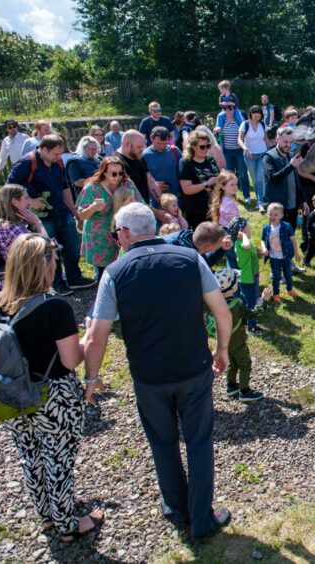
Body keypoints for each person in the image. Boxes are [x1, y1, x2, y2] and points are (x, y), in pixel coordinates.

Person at [82, 203, 232, 540]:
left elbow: (96, 336)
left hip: (149, 376)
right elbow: (222, 311)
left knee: (162, 443)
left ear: (124, 233)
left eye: (115, 233)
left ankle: (177, 509)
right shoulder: (190, 259)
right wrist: (221, 350)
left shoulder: (115, 272)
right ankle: (202, 519)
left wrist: (91, 379)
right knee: (199, 441)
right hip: (192, 367)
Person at [0, 234, 104, 543]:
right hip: (54, 396)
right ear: (44, 265)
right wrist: (88, 337)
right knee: (59, 460)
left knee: (31, 454)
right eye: (53, 259)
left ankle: (47, 516)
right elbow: (70, 361)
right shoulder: (54, 307)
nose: (57, 265)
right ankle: (68, 524)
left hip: (14, 394)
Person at [6, 135, 95, 295]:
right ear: (44, 149)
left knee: (73, 245)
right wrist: (31, 200)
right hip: (43, 217)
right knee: (50, 249)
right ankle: (57, 283)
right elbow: (10, 186)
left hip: (62, 211)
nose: (59, 157)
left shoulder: (58, 163)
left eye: (60, 154)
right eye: (56, 153)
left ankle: (74, 277)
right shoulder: (27, 163)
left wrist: (74, 212)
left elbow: (65, 187)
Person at [209, 268, 271, 401]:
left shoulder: (213, 303)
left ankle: (231, 386)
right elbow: (253, 314)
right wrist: (264, 300)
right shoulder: (237, 304)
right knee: (245, 363)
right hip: (237, 341)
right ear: (232, 288)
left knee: (232, 362)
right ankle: (245, 391)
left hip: (223, 342)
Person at [77, 157, 143, 280]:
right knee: (104, 273)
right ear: (104, 172)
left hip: (123, 233)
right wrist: (92, 208)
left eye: (120, 173)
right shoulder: (92, 188)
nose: (117, 177)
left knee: (125, 267)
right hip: (99, 237)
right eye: (113, 174)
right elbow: (81, 215)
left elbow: (141, 204)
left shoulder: (127, 184)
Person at [0, 184, 48, 287]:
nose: (29, 202)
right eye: (26, 198)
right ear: (14, 202)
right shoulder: (18, 231)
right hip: (26, 283)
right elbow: (48, 249)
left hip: (10, 280)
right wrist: (37, 222)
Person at [116, 130, 166, 222]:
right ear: (127, 144)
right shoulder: (117, 164)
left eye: (143, 146)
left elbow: (150, 181)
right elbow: (128, 198)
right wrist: (155, 212)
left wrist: (164, 204)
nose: (143, 149)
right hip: (129, 218)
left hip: (144, 212)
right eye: (139, 147)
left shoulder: (138, 156)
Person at [263, 127, 307, 231]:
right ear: (277, 139)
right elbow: (273, 179)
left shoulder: (291, 155)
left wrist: (303, 200)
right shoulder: (268, 157)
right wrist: (291, 166)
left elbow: (297, 181)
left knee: (291, 234)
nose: (288, 145)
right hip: (278, 208)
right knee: (277, 235)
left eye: (290, 142)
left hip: (293, 205)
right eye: (285, 141)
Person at [228, 218, 265, 335]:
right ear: (242, 231)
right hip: (248, 279)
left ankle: (245, 318)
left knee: (246, 298)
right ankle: (252, 327)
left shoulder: (244, 243)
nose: (250, 230)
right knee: (251, 302)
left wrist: (259, 253)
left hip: (251, 277)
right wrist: (243, 235)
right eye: (248, 229)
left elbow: (250, 254)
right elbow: (247, 246)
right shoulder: (241, 243)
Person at [260, 202, 302, 302]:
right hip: (274, 258)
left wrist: (296, 253)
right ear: (267, 214)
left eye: (275, 214)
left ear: (281, 215)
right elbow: (262, 240)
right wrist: (264, 247)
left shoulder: (287, 226)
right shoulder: (266, 228)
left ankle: (290, 289)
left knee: (288, 274)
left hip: (286, 257)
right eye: (270, 214)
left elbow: (293, 240)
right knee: (276, 277)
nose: (272, 216)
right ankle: (276, 294)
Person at [179, 131, 221, 229]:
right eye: (202, 147)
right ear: (193, 146)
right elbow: (187, 189)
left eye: (208, 146)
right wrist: (207, 183)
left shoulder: (210, 160)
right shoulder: (186, 163)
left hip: (214, 207)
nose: (206, 149)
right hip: (195, 210)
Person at [215, 100, 250, 202]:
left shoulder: (239, 122)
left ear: (235, 110)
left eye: (231, 109)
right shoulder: (222, 122)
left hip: (239, 151)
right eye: (227, 109)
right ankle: (230, 195)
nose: (229, 111)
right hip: (227, 152)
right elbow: (218, 137)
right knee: (229, 175)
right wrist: (217, 131)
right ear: (224, 110)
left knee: (243, 173)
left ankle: (246, 195)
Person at [239, 106, 272, 211]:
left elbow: (266, 139)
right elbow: (239, 139)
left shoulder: (262, 124)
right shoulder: (245, 124)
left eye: (259, 112)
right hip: (249, 155)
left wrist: (272, 150)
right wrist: (245, 149)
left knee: (259, 178)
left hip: (262, 153)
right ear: (250, 113)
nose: (257, 114)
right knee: (254, 179)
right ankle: (259, 199)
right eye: (254, 112)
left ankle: (260, 202)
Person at [163, 221, 231, 269]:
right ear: (208, 247)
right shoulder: (187, 260)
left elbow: (205, 261)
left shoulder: (189, 237)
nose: (221, 245)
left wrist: (222, 249)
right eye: (220, 244)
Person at [209, 171, 241, 269]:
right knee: (236, 257)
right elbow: (234, 221)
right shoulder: (228, 203)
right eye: (232, 184)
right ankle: (237, 279)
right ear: (222, 186)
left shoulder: (224, 198)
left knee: (230, 257)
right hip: (231, 233)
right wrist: (241, 229)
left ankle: (232, 277)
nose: (235, 187)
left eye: (236, 184)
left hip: (225, 232)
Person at [143, 126, 182, 197]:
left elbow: (184, 172)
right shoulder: (144, 155)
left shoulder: (174, 151)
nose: (162, 146)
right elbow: (140, 179)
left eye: (165, 143)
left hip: (177, 198)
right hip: (156, 199)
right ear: (151, 138)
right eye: (159, 143)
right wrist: (153, 185)